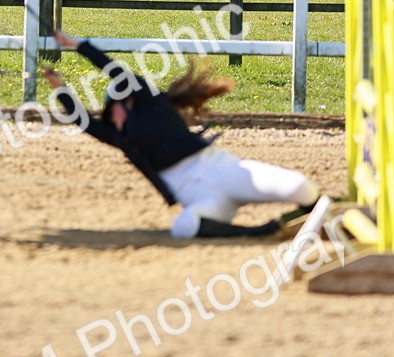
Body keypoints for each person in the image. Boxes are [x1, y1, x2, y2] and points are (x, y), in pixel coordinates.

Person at [41, 30, 322, 239]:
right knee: (184, 227)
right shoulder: (120, 137)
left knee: (302, 187)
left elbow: (119, 72)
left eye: (113, 108)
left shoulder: (152, 103)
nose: (110, 116)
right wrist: (60, 88)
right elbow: (84, 122)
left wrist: (80, 47)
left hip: (221, 169)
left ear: (126, 102)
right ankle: (258, 231)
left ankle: (314, 217)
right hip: (196, 194)